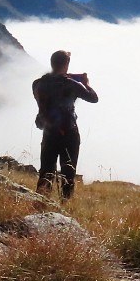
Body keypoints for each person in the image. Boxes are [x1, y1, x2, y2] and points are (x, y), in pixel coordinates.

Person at [32, 49, 98, 199]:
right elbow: (94, 98)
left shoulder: (37, 84)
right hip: (69, 132)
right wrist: (86, 84)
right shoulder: (72, 85)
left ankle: (41, 202)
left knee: (46, 170)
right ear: (66, 63)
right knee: (68, 171)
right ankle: (65, 204)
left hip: (49, 131)